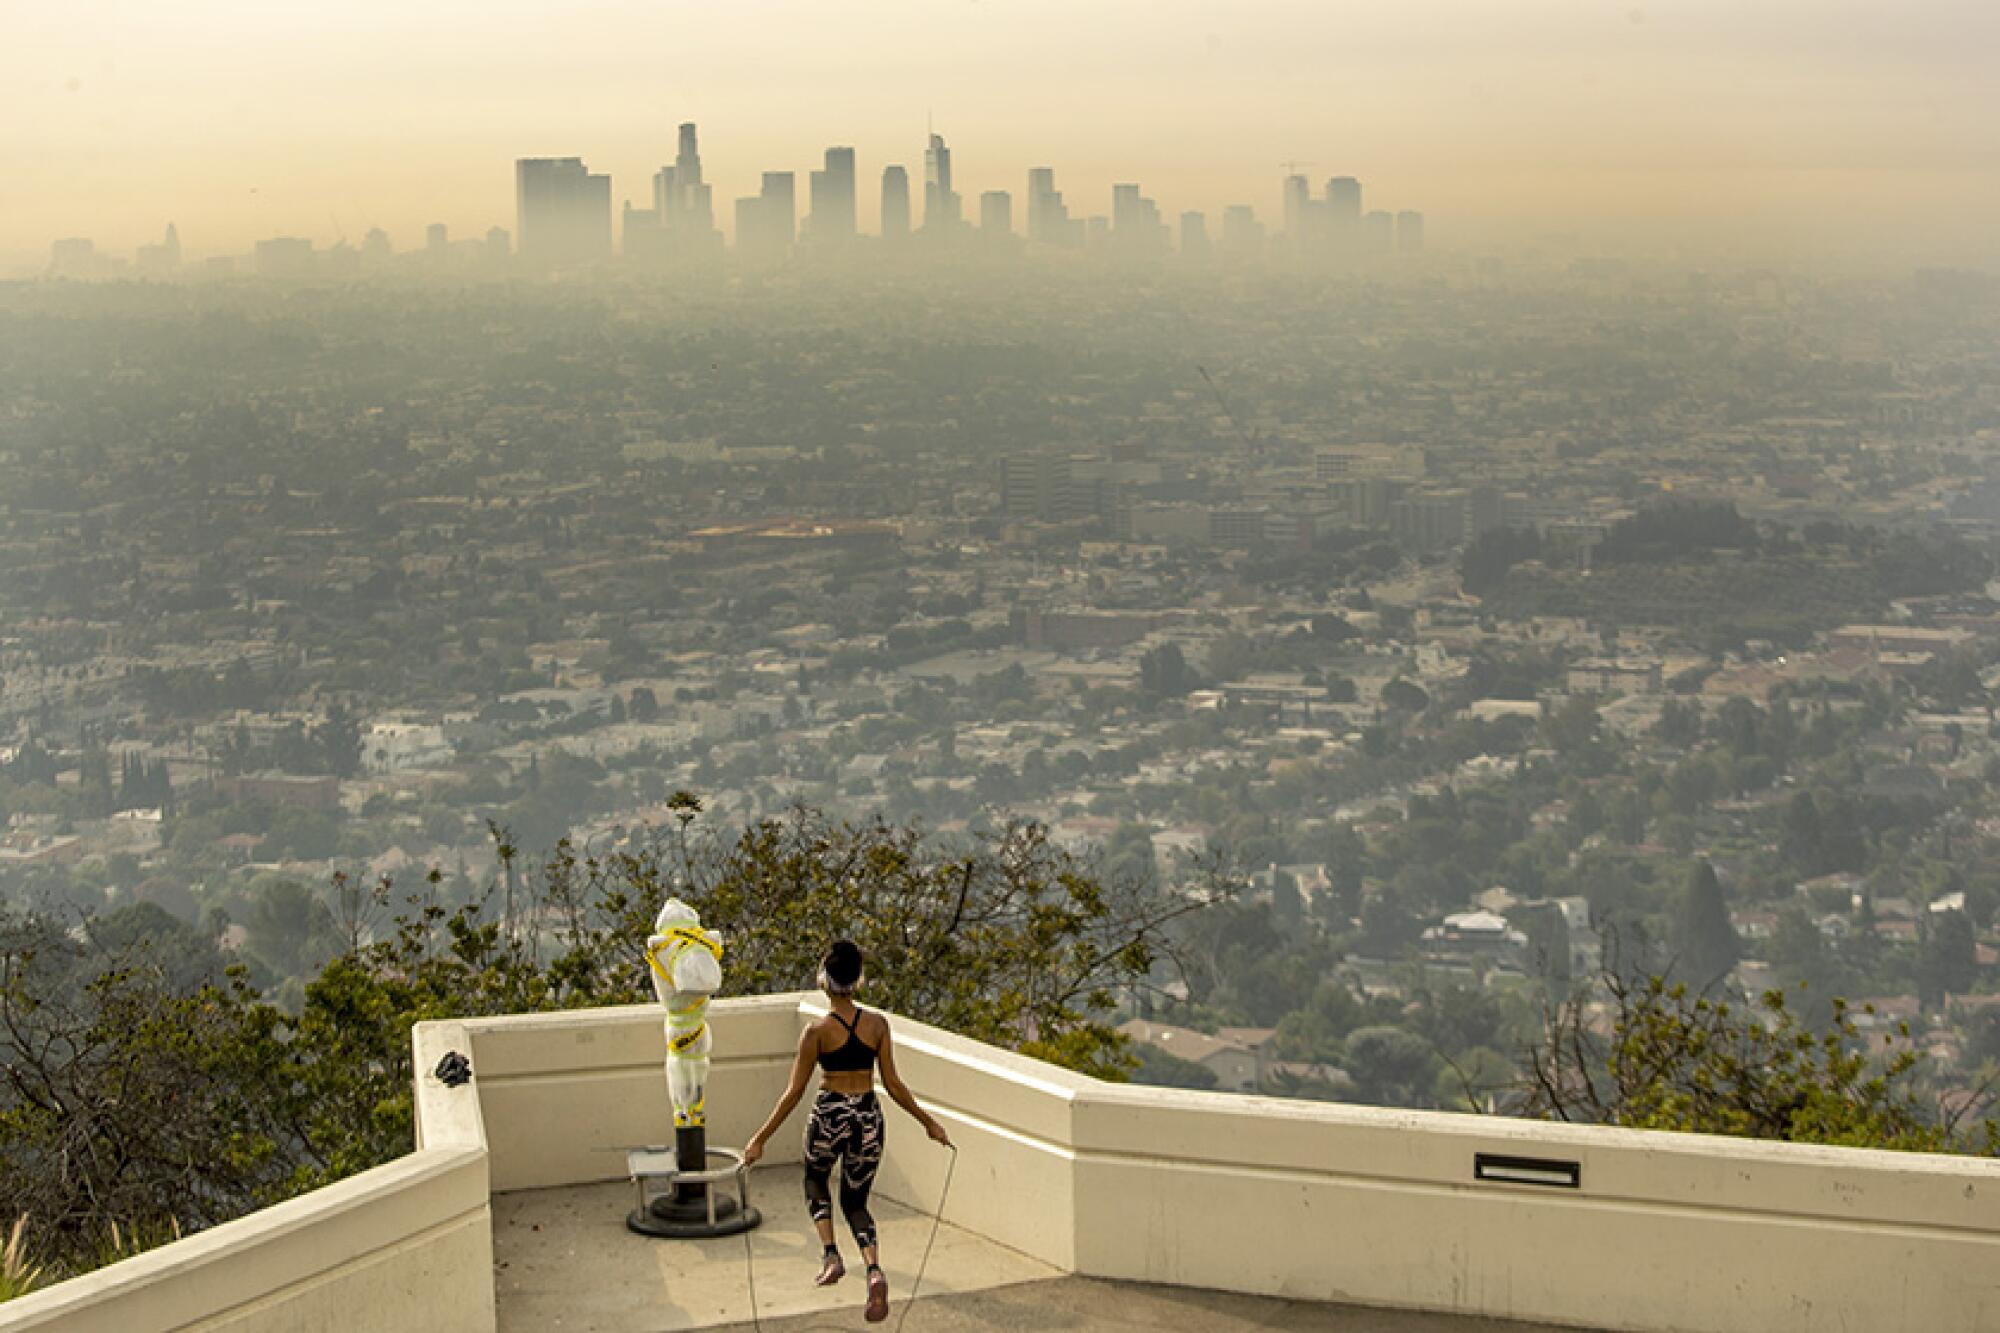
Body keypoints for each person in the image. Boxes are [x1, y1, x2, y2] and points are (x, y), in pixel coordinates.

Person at [742, 940, 952, 1324]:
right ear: (857, 981)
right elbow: (894, 1083)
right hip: (868, 1117)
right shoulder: (877, 1025)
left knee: (815, 1180)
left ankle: (831, 1255)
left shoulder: (816, 1032)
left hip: (831, 1113)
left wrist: (760, 1138)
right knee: (856, 1202)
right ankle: (874, 1271)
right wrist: (929, 1123)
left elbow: (793, 1093)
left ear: (825, 978)